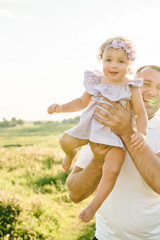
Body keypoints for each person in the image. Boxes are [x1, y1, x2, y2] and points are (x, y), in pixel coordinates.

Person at [66, 65, 160, 239]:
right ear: (131, 87)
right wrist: (99, 160)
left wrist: (126, 132)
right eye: (145, 84)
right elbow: (75, 194)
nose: (153, 92)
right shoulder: (101, 128)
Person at [47, 36, 148, 222]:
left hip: (115, 137)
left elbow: (140, 114)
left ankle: (94, 206)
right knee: (65, 141)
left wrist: (141, 132)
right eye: (108, 60)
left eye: (121, 61)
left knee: (112, 170)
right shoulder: (97, 80)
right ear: (102, 60)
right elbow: (81, 102)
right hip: (91, 128)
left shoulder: (131, 87)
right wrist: (61, 107)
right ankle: (70, 154)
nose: (114, 65)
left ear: (130, 65)